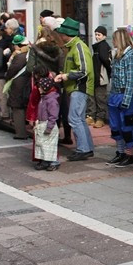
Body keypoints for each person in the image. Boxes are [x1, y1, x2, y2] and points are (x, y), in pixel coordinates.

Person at [53, 18, 95, 161]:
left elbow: (84, 70)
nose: (60, 36)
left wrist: (65, 76)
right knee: (79, 119)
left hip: (79, 87)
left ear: (66, 34)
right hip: (76, 87)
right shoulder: (75, 46)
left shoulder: (78, 47)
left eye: (62, 34)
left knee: (74, 118)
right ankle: (87, 148)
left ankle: (83, 149)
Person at [106, 29, 133, 168]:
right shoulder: (117, 55)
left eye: (114, 39)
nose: (113, 41)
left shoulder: (131, 56)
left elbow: (131, 80)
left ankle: (129, 154)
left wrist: (126, 100)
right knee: (115, 126)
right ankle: (120, 152)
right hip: (115, 95)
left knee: (127, 126)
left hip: (125, 95)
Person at [34, 73, 62, 172]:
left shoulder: (51, 100)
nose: (38, 89)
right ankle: (45, 161)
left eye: (40, 87)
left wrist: (49, 127)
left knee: (50, 145)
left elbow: (53, 116)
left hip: (49, 124)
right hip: (43, 123)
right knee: (43, 144)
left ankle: (54, 162)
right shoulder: (45, 98)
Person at [5, 35, 31, 139]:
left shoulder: (19, 56)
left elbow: (11, 70)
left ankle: (20, 133)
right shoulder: (30, 54)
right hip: (27, 83)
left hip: (18, 85)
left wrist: (7, 76)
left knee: (17, 108)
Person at [88, 26, 111, 129]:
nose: (97, 37)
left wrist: (107, 73)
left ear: (104, 36)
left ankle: (100, 118)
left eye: (99, 35)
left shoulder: (103, 46)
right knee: (93, 97)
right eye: (96, 34)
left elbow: (106, 61)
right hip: (95, 76)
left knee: (100, 98)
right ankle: (91, 116)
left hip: (101, 76)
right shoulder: (98, 46)